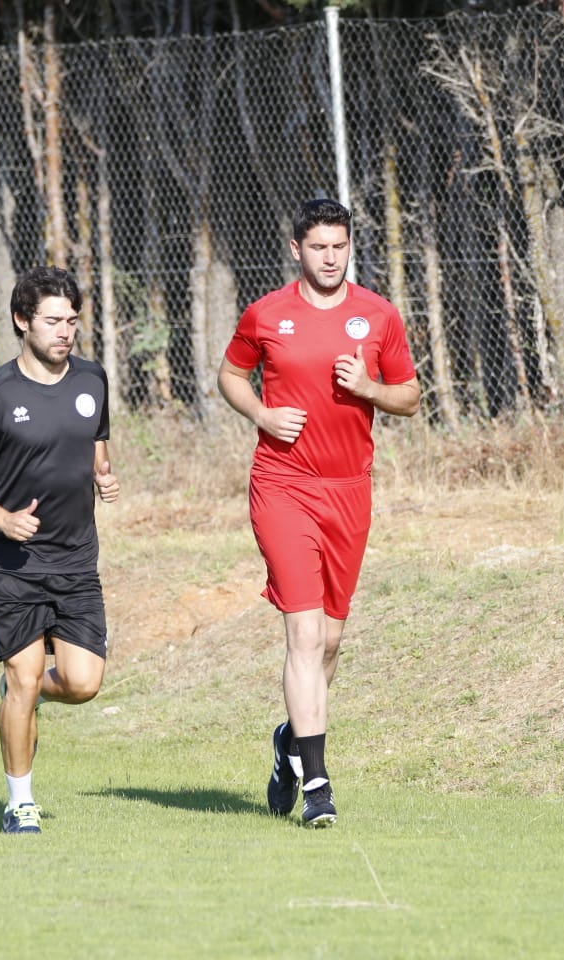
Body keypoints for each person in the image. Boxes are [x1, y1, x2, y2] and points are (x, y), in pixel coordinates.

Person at [218, 198, 420, 828]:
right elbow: (229, 373)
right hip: (282, 486)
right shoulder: (267, 314)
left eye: (340, 246)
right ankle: (318, 787)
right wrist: (259, 413)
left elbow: (410, 396)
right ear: (296, 250)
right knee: (303, 635)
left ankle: (290, 745)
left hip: (349, 491)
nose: (330, 258)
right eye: (318, 247)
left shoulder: (378, 316)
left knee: (330, 641)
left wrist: (369, 390)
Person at [0, 265, 120, 835]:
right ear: (23, 321)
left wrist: (102, 475)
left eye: (71, 320)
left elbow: (94, 440)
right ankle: (20, 802)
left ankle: (24, 699)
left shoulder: (93, 380)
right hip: (12, 563)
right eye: (51, 321)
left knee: (83, 683)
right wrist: (0, 517)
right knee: (22, 675)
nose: (64, 331)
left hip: (75, 560)